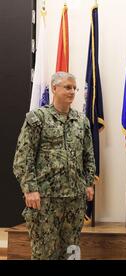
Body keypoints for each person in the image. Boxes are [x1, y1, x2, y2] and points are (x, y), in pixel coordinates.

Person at [13, 72, 96, 260]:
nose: (72, 91)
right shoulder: (38, 119)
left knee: (71, 252)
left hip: (75, 199)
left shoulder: (81, 121)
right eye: (67, 87)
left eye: (74, 88)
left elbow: (88, 155)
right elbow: (23, 157)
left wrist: (89, 182)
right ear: (54, 88)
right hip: (45, 200)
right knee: (45, 253)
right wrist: (30, 189)